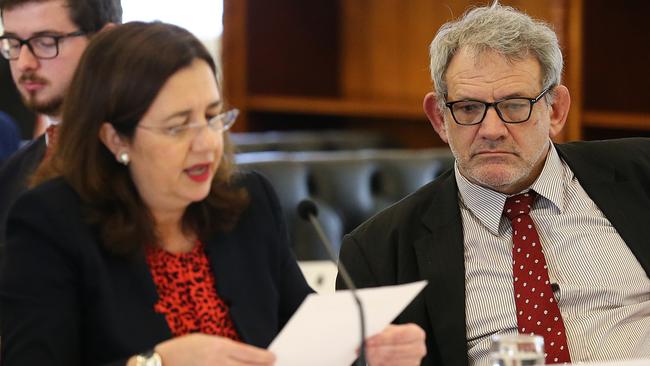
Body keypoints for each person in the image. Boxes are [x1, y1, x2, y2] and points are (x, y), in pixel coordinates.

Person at [0, 21, 426, 366]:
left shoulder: (248, 203)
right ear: (115, 138)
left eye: (211, 116)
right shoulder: (49, 222)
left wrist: (365, 351)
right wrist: (155, 362)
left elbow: (303, 335)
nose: (205, 143)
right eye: (178, 126)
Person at [337, 3, 650, 366]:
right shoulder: (378, 251)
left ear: (556, 110)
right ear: (439, 118)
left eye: (515, 106)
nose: (491, 130)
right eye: (468, 109)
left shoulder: (641, 175)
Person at [0, 0, 122, 249]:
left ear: (106, 42)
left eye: (46, 42)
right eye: (13, 43)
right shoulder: (13, 172)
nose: (24, 63)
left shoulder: (147, 160)